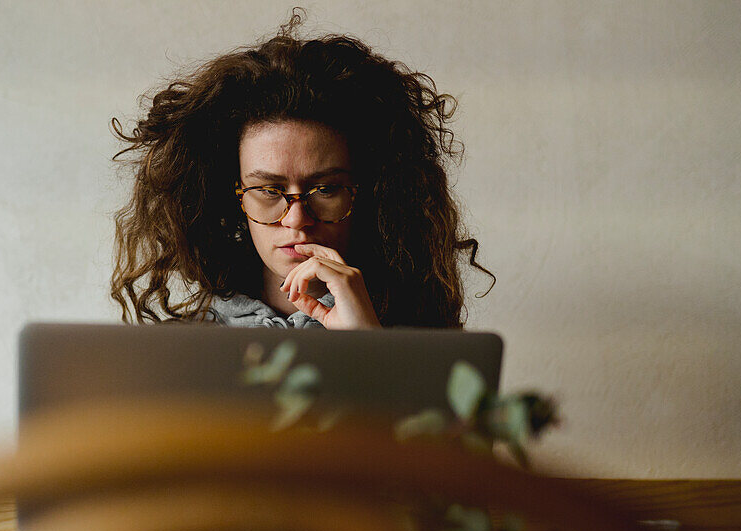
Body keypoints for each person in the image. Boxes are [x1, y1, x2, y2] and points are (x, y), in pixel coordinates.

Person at [110, 13, 492, 330]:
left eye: (325, 189)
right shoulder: (184, 349)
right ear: (233, 196)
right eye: (269, 191)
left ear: (369, 192)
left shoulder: (424, 341)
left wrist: (368, 345)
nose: (297, 220)